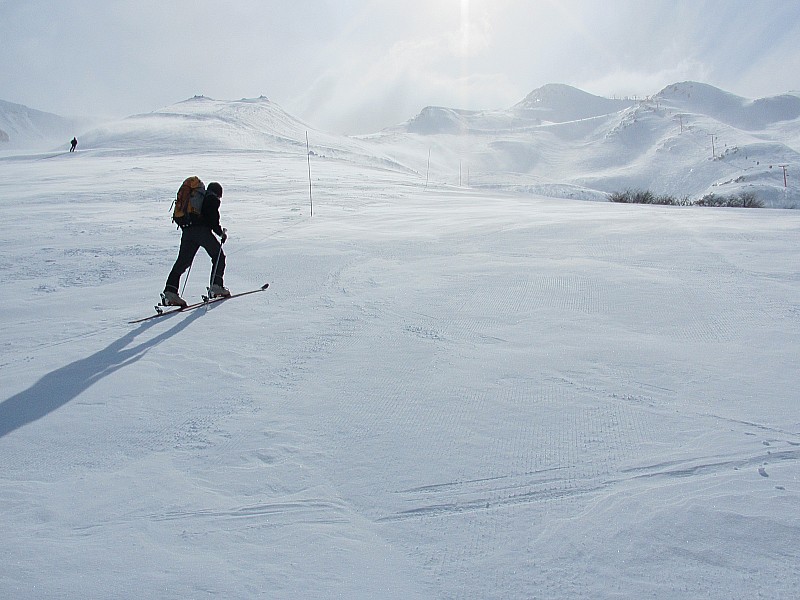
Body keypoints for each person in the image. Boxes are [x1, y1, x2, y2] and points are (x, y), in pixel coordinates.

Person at [162, 181, 230, 307]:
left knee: (183, 262)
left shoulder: (197, 199)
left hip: (187, 231)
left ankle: (170, 292)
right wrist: (220, 233)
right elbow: (212, 219)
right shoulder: (211, 198)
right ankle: (217, 286)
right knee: (219, 256)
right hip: (201, 231)